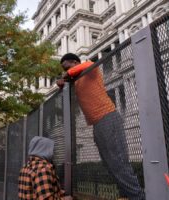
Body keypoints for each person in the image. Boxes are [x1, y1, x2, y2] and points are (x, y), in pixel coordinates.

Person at [57, 53, 144, 200]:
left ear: (75, 62)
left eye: (68, 67)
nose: (66, 71)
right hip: (97, 124)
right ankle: (128, 195)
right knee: (110, 164)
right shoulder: (76, 81)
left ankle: (139, 197)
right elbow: (64, 89)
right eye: (64, 69)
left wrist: (67, 76)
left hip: (108, 117)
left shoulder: (89, 69)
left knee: (119, 163)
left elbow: (88, 64)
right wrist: (63, 83)